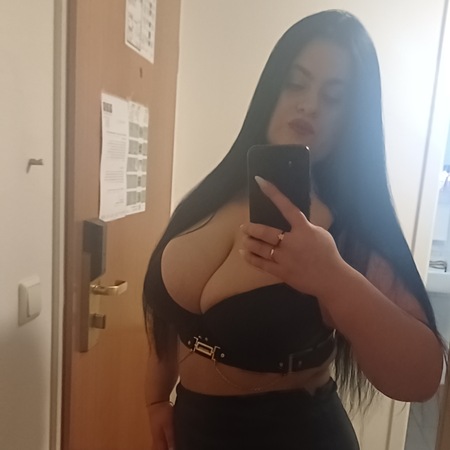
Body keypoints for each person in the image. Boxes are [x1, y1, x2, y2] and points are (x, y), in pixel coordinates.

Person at [142, 9, 445, 450]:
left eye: (333, 97)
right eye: (296, 83)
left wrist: (331, 277)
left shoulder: (348, 225)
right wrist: (155, 399)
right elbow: (167, 314)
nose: (310, 104)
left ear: (351, 119)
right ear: (271, 89)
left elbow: (422, 378)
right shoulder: (211, 197)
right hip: (195, 430)